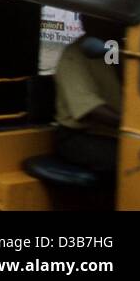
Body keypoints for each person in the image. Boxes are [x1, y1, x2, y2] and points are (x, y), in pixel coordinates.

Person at [53, 15, 123, 176]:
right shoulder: (75, 54)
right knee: (135, 163)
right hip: (80, 138)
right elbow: (91, 109)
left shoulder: (114, 50)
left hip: (115, 135)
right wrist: (133, 125)